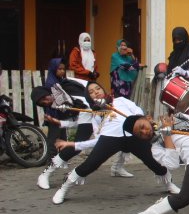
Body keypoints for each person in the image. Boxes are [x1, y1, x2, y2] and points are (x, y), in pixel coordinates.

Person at [50, 82, 179, 205]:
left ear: (103, 90)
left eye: (98, 89)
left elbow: (137, 110)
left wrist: (139, 120)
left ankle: (169, 184)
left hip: (134, 134)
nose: (96, 92)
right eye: (91, 92)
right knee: (91, 164)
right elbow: (97, 136)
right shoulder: (95, 115)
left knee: (153, 161)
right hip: (110, 138)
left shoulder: (120, 101)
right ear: (89, 97)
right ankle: (64, 187)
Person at [31, 77, 94, 189]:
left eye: (44, 98)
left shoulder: (64, 88)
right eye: (43, 103)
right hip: (89, 115)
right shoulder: (58, 106)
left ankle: (117, 167)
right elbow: (75, 120)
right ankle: (46, 173)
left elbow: (88, 88)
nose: (46, 102)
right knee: (77, 146)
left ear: (48, 92)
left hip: (101, 109)